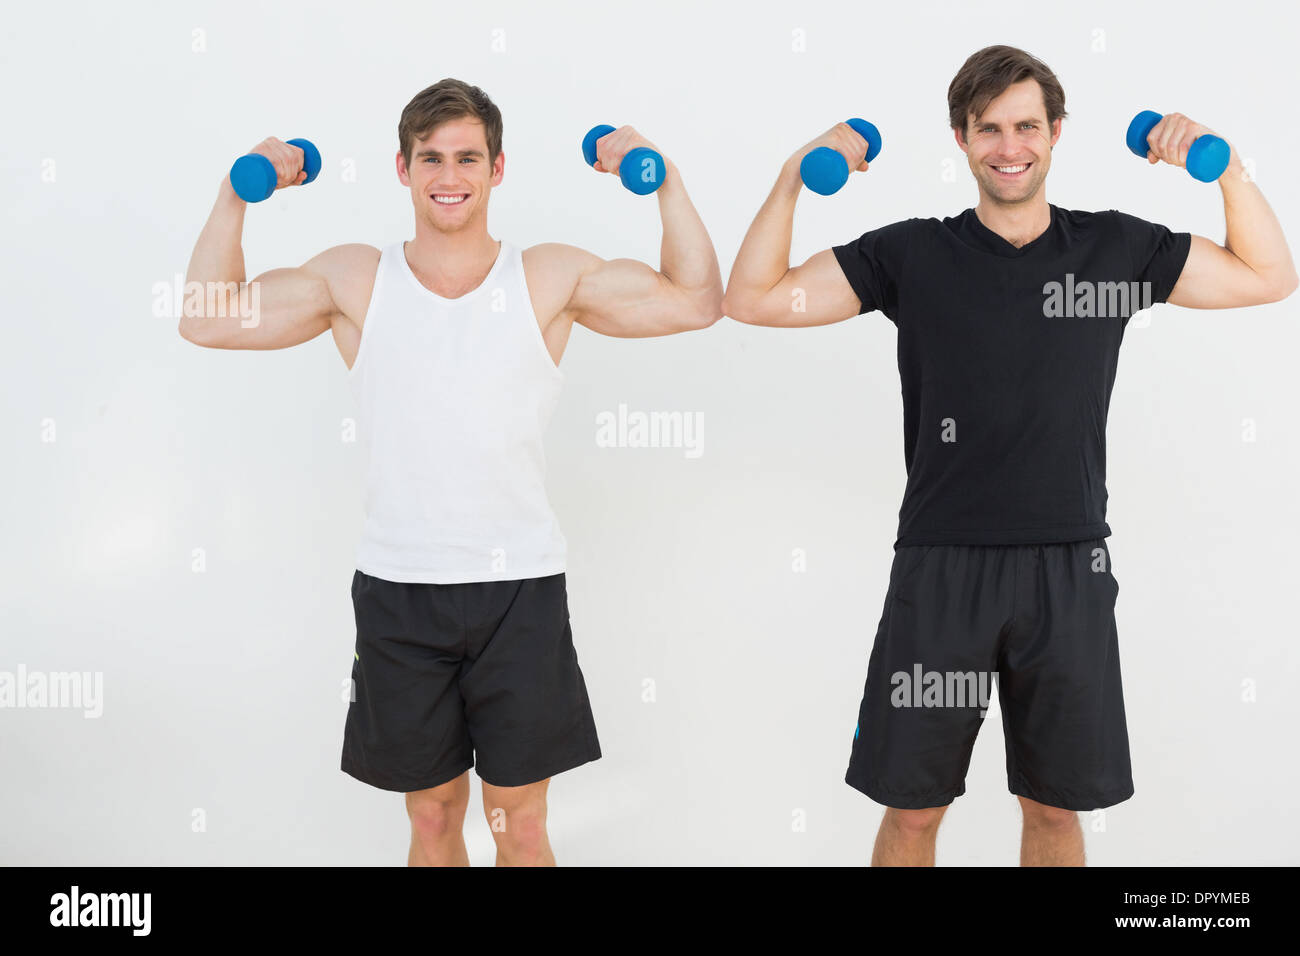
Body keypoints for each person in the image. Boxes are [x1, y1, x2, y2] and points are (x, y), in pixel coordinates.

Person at [722, 44, 1296, 866]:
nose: (1009, 146)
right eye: (988, 129)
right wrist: (791, 179)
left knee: (1056, 814)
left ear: (1056, 133)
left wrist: (1225, 166)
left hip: (1068, 569)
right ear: (962, 138)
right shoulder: (911, 255)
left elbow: (1271, 276)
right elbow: (753, 298)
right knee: (914, 814)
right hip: (941, 566)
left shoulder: (1114, 253)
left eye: (1026, 126)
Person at [180, 78, 722, 866]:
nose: (449, 174)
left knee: (520, 823)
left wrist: (658, 172)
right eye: (430, 156)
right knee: (433, 818)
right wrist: (239, 188)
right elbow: (204, 316)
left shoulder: (546, 278)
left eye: (468, 157)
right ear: (402, 168)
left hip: (520, 591)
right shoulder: (355, 281)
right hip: (401, 589)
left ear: (497, 169)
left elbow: (696, 299)